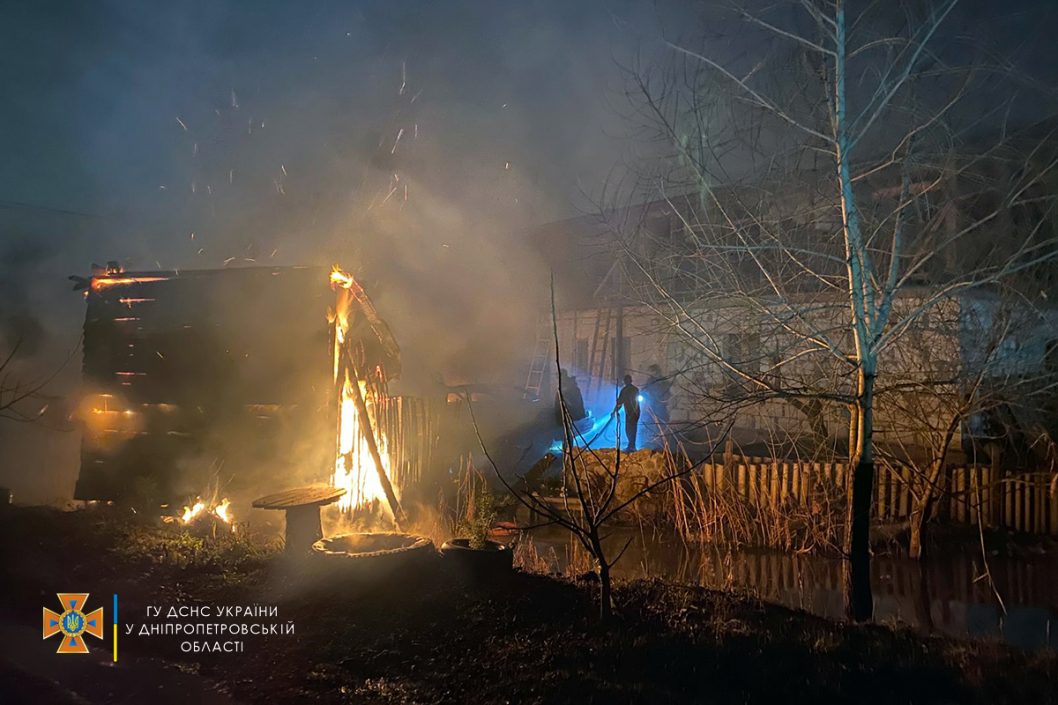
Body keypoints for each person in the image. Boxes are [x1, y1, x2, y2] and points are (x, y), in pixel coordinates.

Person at [611, 374, 641, 452]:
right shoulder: (635, 389)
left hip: (631, 413)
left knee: (629, 429)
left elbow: (619, 403)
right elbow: (620, 403)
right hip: (635, 413)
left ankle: (631, 446)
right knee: (632, 429)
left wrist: (614, 412)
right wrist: (615, 411)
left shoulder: (625, 390)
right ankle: (631, 445)